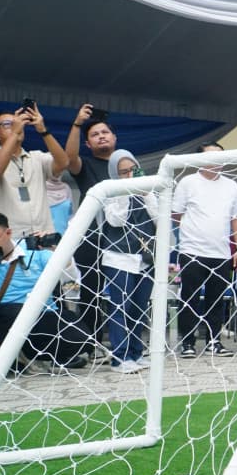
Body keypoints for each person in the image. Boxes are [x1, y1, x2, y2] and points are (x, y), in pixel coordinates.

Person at [171, 143, 237, 358]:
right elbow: (176, 214)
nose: (216, 161)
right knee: (190, 298)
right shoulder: (188, 182)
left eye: (221, 156)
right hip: (192, 250)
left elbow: (236, 218)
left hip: (222, 253)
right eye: (211, 156)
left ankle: (214, 342)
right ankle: (188, 344)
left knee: (216, 299)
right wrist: (191, 229)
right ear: (200, 159)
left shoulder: (231, 185)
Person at [0, 212, 87, 372]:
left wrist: (60, 251)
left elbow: (71, 283)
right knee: (13, 311)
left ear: (8, 233)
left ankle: (36, 356)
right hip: (5, 318)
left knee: (81, 336)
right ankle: (15, 358)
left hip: (42, 316)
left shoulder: (35, 254)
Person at [65, 104, 118, 362]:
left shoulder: (126, 165)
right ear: (88, 143)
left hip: (123, 239)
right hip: (92, 238)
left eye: (105, 132)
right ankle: (91, 344)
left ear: (114, 137)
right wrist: (77, 125)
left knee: (124, 292)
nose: (101, 136)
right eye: (95, 134)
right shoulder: (83, 164)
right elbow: (68, 158)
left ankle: (126, 345)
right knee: (91, 292)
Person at [102, 150, 158, 373]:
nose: (129, 175)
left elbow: (160, 219)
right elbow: (116, 221)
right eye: (123, 172)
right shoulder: (109, 190)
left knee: (139, 308)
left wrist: (147, 195)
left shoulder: (147, 190)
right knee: (120, 308)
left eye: (133, 170)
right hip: (118, 258)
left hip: (145, 258)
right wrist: (125, 191)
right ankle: (119, 357)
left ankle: (136, 352)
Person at [0, 102, 69, 239]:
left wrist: (43, 130)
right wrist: (15, 133)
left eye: (17, 122)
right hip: (10, 241)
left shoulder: (36, 157)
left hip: (43, 237)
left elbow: (63, 163)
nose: (15, 125)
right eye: (7, 124)